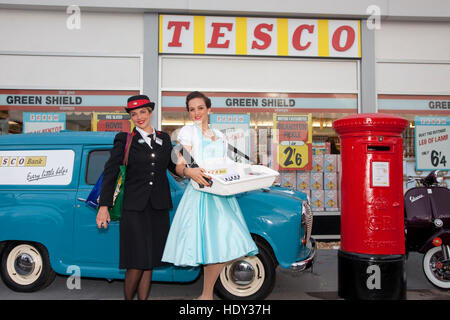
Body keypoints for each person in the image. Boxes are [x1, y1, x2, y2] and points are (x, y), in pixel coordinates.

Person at [162, 91, 258, 300]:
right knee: (210, 245)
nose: (196, 113)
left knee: (222, 245)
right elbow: (179, 162)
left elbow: (226, 164)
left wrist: (246, 167)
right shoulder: (188, 132)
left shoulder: (220, 135)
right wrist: (189, 172)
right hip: (201, 194)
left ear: (209, 109)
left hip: (222, 193)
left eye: (200, 108)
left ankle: (206, 295)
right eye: (192, 109)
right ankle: (206, 296)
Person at [96, 94, 184, 300]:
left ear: (150, 112)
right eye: (134, 114)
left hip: (158, 207)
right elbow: (110, 172)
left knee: (149, 261)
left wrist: (192, 170)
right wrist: (104, 205)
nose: (139, 117)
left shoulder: (165, 138)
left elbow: (175, 167)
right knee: (136, 261)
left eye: (142, 112)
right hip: (134, 208)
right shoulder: (124, 139)